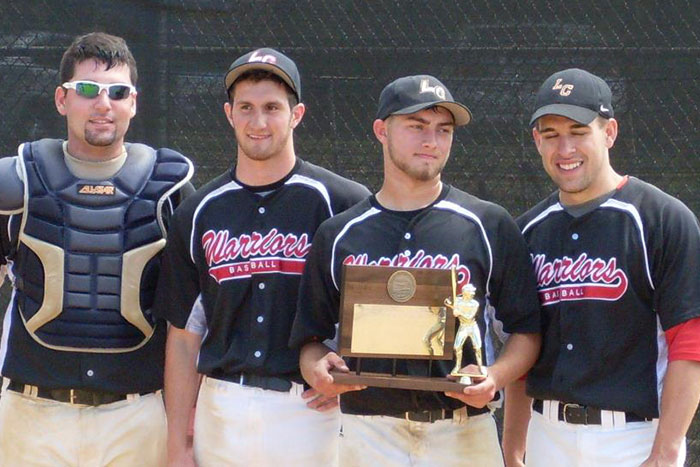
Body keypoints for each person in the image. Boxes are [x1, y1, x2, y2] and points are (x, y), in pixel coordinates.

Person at [290, 74, 542, 467]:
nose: (432, 141)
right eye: (416, 126)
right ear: (381, 131)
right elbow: (311, 339)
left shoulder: (487, 223)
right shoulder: (339, 234)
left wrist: (495, 377)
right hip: (367, 431)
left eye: (444, 130)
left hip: (462, 431)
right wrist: (317, 369)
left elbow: (526, 331)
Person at [153, 47, 370, 466]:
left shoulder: (343, 202)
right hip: (222, 406)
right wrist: (177, 444)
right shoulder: (198, 211)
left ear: (297, 114)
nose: (258, 122)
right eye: (246, 107)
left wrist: (354, 376)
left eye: (272, 107)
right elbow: (183, 338)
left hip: (311, 410)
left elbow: (375, 310)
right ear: (228, 113)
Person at [0, 32, 194, 466]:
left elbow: (192, 312)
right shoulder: (17, 181)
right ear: (61, 99)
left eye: (117, 92)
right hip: (33, 413)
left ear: (134, 103)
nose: (103, 103)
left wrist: (188, 416)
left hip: (136, 414)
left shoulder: (170, 189)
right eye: (87, 90)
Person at [503, 68, 700, 467]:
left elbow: (690, 342)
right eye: (551, 134)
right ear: (536, 141)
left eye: (578, 131)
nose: (565, 148)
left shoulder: (661, 219)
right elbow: (522, 347)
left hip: (634, 438)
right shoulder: (526, 232)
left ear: (609, 132)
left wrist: (664, 452)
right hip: (546, 435)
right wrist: (513, 446)